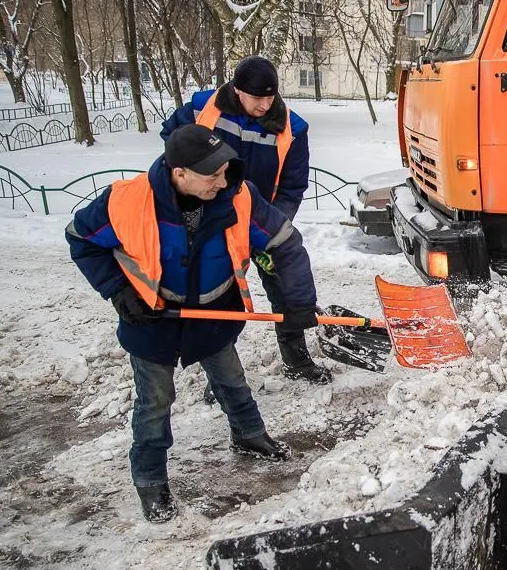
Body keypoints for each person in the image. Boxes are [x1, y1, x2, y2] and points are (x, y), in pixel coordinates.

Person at [66, 124, 320, 523]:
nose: (222, 182)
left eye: (225, 171)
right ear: (178, 171)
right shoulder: (126, 201)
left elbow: (284, 242)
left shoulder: (238, 197)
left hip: (215, 311)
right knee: (156, 400)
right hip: (150, 317)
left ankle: (249, 433)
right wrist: (119, 290)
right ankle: (150, 478)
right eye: (212, 174)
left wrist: (301, 302)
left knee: (232, 378)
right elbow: (80, 238)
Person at [160, 55, 328, 385]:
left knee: (283, 290)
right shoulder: (202, 109)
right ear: (238, 91)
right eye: (256, 97)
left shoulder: (293, 129)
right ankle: (221, 376)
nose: (264, 105)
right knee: (219, 296)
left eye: (270, 97)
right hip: (209, 218)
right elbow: (172, 140)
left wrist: (271, 231)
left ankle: (297, 361)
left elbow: (292, 187)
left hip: (258, 220)